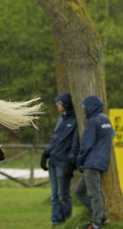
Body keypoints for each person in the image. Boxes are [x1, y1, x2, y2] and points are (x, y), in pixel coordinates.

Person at [73, 95, 113, 229]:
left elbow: (87, 144)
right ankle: (101, 216)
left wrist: (79, 161)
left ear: (91, 107)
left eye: (85, 108)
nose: (84, 111)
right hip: (102, 162)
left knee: (93, 194)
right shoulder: (106, 120)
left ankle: (96, 224)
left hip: (91, 163)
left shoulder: (93, 121)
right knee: (79, 191)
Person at [40, 93, 77, 226]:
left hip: (64, 163)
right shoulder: (61, 119)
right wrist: (46, 154)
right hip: (54, 161)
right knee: (54, 195)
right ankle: (56, 221)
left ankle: (67, 220)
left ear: (66, 103)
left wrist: (71, 161)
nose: (57, 104)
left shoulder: (75, 121)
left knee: (63, 195)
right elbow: (55, 139)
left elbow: (74, 144)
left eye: (59, 102)